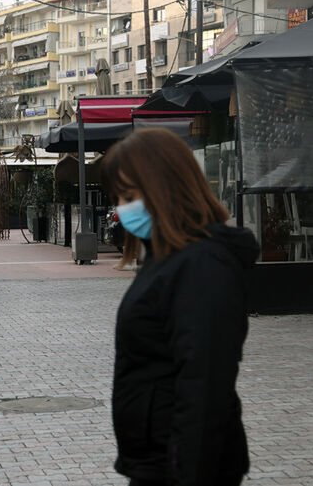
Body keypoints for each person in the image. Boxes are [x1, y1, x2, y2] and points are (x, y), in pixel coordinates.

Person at [102, 128, 259, 486]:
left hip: (180, 466)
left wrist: (186, 470)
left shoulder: (201, 264)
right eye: (119, 198)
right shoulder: (167, 257)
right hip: (155, 460)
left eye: (129, 196)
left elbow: (204, 383)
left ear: (163, 186)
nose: (122, 209)